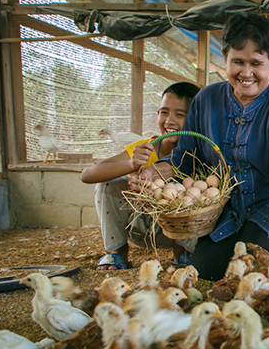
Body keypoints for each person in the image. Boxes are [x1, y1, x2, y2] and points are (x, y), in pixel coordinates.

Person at [130, 13, 269, 280]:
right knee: (208, 270)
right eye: (237, 61)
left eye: (256, 63)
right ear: (225, 56)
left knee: (254, 266)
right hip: (227, 209)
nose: (246, 73)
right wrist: (153, 174)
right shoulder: (206, 100)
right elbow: (185, 159)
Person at [82, 82, 200, 270]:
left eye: (180, 114)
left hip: (184, 234)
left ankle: (181, 255)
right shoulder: (146, 148)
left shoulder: (200, 152)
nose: (169, 121)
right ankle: (117, 254)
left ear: (195, 118)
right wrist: (131, 164)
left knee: (192, 190)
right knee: (108, 184)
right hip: (142, 227)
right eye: (164, 112)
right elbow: (87, 175)